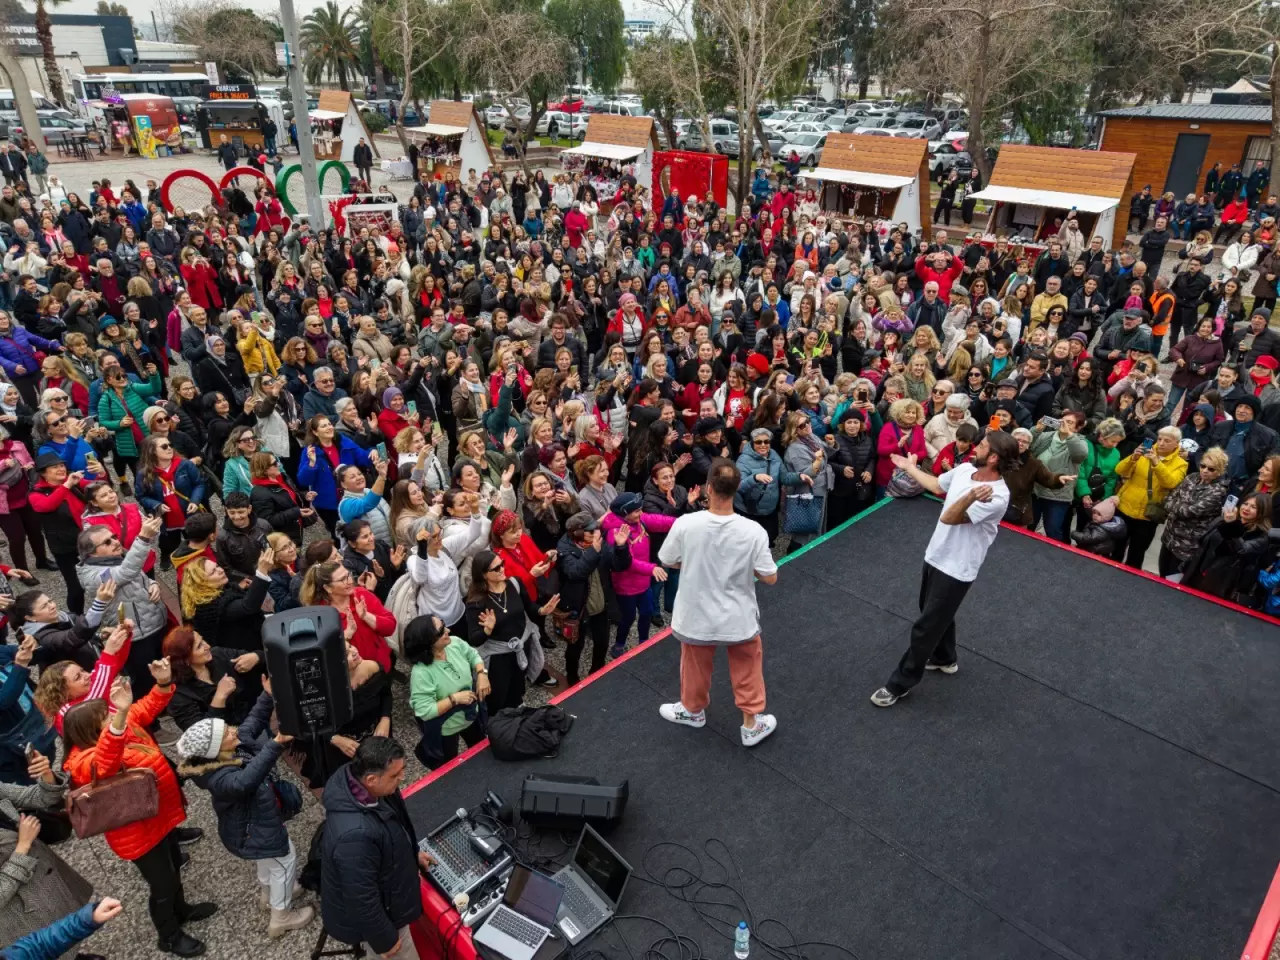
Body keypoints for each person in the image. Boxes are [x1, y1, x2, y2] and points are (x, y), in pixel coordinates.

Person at [63, 666, 216, 957]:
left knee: (173, 866)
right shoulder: (83, 761)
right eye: (106, 718)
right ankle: (168, 936)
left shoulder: (117, 728)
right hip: (137, 832)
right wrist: (118, 719)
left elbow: (146, 707)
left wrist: (162, 682)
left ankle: (181, 909)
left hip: (158, 816)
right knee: (163, 883)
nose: (113, 718)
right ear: (91, 731)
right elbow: (107, 760)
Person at [870, 430, 1022, 707]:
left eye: (983, 446)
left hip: (958, 569)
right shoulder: (965, 469)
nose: (976, 448)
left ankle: (899, 683)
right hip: (936, 555)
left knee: (926, 626)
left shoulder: (997, 497)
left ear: (994, 458)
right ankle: (944, 658)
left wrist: (969, 497)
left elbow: (949, 516)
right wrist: (910, 468)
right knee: (934, 613)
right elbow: (938, 485)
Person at [176, 685, 315, 940]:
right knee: (285, 858)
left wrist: (267, 695)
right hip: (254, 826)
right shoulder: (220, 778)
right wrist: (275, 745)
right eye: (227, 733)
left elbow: (252, 720)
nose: (233, 730)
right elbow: (245, 781)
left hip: (253, 827)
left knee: (267, 858)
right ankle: (281, 917)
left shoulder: (229, 747)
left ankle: (270, 894)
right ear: (216, 749)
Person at [656, 458, 779, 745]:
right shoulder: (753, 531)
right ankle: (751, 724)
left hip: (695, 614)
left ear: (708, 488)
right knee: (748, 664)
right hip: (739, 615)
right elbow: (770, 577)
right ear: (736, 489)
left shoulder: (686, 524)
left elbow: (668, 560)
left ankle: (692, 709)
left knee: (694, 663)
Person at [319, 737, 429, 960]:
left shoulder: (370, 788)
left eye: (402, 770)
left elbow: (397, 829)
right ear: (370, 779)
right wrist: (384, 940)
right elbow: (361, 897)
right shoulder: (355, 836)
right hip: (384, 918)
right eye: (395, 775)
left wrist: (411, 854)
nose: (402, 777)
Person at [405, 614, 490, 769]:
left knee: (481, 751)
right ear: (427, 642)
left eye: (443, 624)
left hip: (471, 715)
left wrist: (482, 674)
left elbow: (473, 655)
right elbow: (424, 711)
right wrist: (454, 699)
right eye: (441, 631)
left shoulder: (455, 644)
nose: (448, 630)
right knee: (449, 767)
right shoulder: (421, 673)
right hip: (446, 729)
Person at [1111, 425, 1189, 568]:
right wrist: (1133, 458)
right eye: (1159, 439)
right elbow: (1119, 469)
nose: (1161, 443)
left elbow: (1170, 483)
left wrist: (1156, 462)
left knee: (1136, 555)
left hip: (1148, 516)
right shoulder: (1144, 453)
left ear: (1176, 444)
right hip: (1125, 507)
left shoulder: (1181, 464)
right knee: (1115, 549)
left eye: (1167, 441)